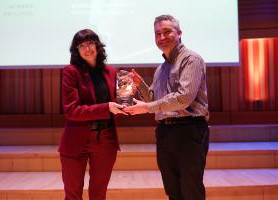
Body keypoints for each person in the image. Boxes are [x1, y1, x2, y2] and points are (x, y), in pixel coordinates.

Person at [124, 15, 210, 200]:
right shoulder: (160, 68)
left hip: (189, 130)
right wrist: (140, 85)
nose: (162, 37)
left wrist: (147, 108)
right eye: (157, 34)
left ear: (179, 33)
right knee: (173, 191)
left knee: (191, 190)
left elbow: (184, 98)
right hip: (165, 131)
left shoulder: (191, 59)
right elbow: (155, 99)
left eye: (167, 32)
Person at [59, 29, 126, 200]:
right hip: (77, 139)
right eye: (82, 45)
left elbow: (117, 106)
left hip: (105, 139)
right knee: (73, 194)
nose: (87, 48)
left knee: (99, 194)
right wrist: (107, 107)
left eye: (90, 43)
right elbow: (71, 111)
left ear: (97, 45)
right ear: (76, 51)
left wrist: (128, 94)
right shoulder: (71, 72)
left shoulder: (111, 71)